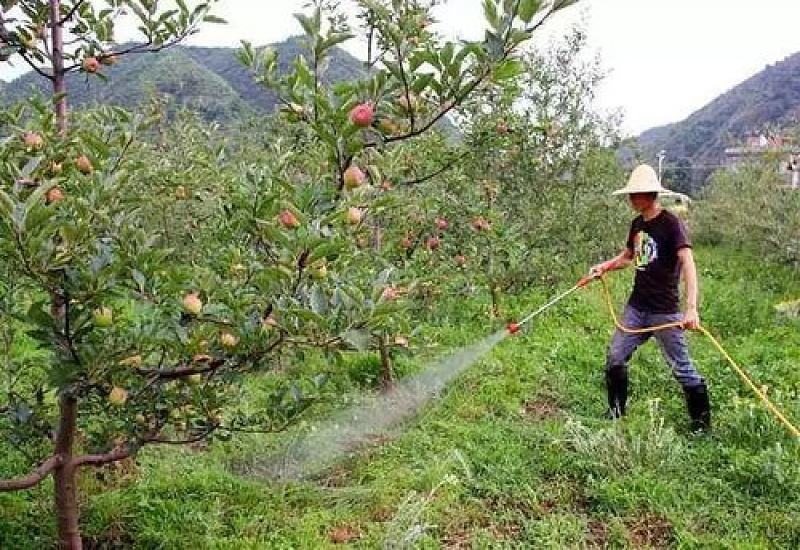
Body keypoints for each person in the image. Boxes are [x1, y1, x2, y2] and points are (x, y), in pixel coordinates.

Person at [590, 163, 711, 433]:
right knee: (615, 356)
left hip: (664, 311)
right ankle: (616, 411)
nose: (631, 199)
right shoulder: (637, 223)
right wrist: (604, 267)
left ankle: (702, 426)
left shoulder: (671, 224)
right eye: (630, 194)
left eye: (636, 194)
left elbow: (688, 264)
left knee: (682, 368)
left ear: (650, 194)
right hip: (637, 307)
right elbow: (627, 257)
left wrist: (691, 308)